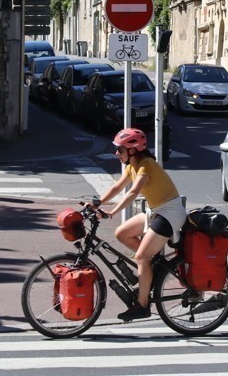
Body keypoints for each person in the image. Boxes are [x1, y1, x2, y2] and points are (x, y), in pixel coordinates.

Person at [94, 127, 187, 321]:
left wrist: (111, 212)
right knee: (122, 233)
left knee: (141, 257)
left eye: (120, 150)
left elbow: (133, 192)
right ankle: (149, 265)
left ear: (133, 150)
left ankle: (142, 305)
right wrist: (97, 203)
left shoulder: (146, 165)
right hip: (155, 212)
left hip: (169, 213)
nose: (116, 153)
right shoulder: (131, 166)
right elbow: (117, 186)